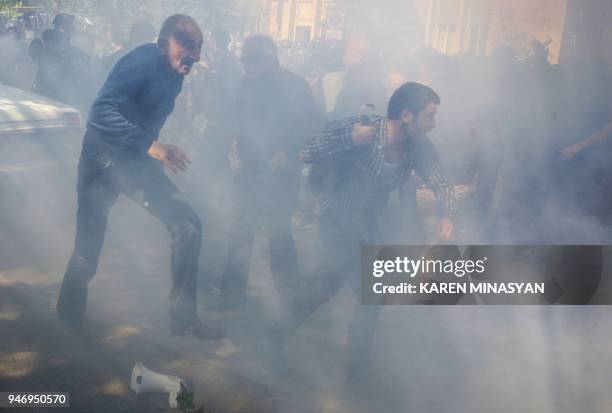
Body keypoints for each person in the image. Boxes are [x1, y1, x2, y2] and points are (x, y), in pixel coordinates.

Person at [272, 82, 455, 384]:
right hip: (336, 218)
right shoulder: (362, 129)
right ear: (407, 115)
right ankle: (353, 369)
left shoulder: (418, 146)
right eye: (430, 116)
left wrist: (448, 215)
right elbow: (306, 152)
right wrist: (349, 139)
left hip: (368, 225)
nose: (434, 124)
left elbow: (442, 183)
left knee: (328, 287)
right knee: (367, 292)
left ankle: (281, 335)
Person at [56, 14, 224, 340]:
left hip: (134, 165)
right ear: (164, 43)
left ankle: (183, 318)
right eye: (188, 44)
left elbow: (147, 116)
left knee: (188, 226)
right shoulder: (141, 62)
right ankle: (68, 317)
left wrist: (155, 150)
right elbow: (100, 113)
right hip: (100, 166)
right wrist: (152, 146)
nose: (196, 55)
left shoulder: (175, 72)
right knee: (88, 249)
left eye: (199, 47)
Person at [219, 34, 324, 311]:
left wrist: (288, 152)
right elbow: (239, 117)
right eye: (244, 61)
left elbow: (313, 124)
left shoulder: (294, 85)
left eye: (251, 61)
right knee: (240, 232)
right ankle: (232, 296)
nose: (246, 66)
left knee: (278, 234)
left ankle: (290, 297)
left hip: (280, 174)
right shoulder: (246, 84)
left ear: (269, 58)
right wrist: (234, 139)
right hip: (250, 169)